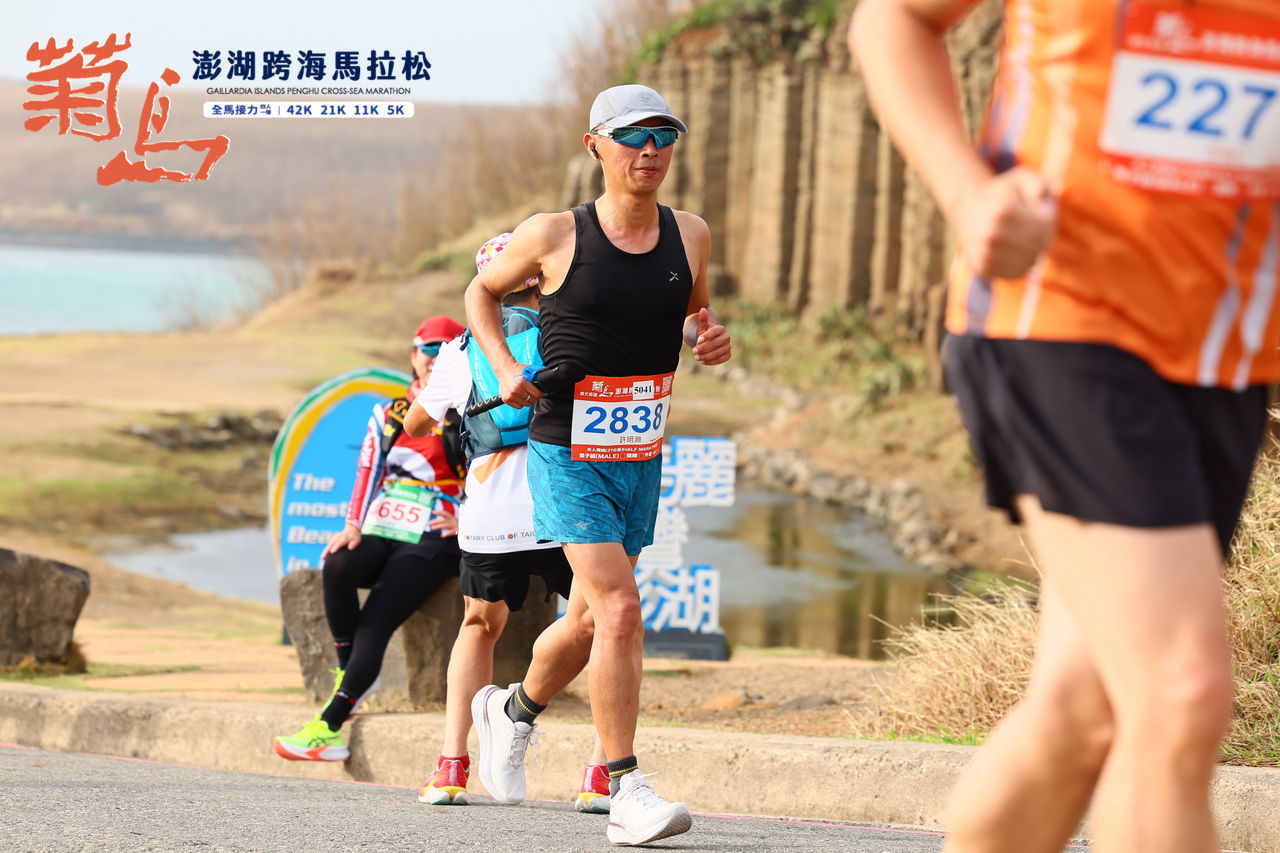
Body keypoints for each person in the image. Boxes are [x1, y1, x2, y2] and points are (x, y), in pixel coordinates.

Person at [851, 2, 1280, 852]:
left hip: (1226, 354)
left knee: (1081, 708)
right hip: (1060, 318)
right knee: (1178, 694)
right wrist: (969, 195)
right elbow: (892, 19)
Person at [462, 84, 732, 846]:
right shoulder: (553, 234)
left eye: (663, 136)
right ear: (595, 147)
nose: (650, 150)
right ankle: (625, 789)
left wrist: (708, 338)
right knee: (620, 610)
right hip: (565, 449)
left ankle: (509, 709)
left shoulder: (691, 234)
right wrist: (502, 365)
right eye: (632, 136)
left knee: (585, 622)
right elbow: (481, 292)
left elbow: (693, 315)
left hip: (638, 451)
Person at [405, 233, 611, 813]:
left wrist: (442, 398)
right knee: (604, 624)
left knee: (479, 624)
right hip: (568, 498)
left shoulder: (462, 349)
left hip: (494, 508)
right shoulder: (572, 332)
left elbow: (417, 425)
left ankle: (451, 765)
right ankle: (600, 774)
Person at [273, 314, 467, 762]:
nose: (435, 359)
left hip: (437, 532)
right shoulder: (390, 413)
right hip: (385, 522)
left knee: (376, 619)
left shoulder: (469, 412)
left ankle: (329, 726)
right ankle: (353, 675)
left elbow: (491, 468)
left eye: (447, 350)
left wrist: (467, 519)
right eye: (428, 350)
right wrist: (352, 526)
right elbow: (368, 470)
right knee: (338, 563)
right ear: (413, 355)